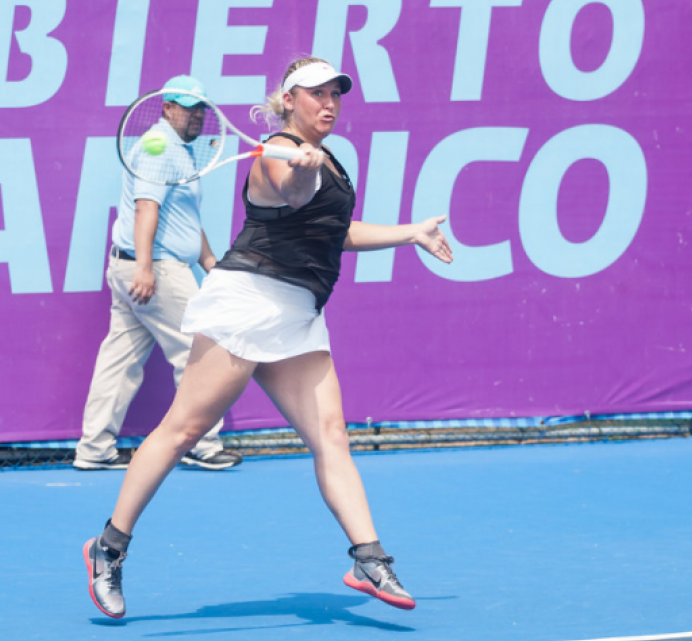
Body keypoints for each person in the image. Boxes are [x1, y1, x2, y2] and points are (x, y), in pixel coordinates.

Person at [82, 58, 453, 618]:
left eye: (335, 93)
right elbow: (294, 193)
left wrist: (412, 233)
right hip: (248, 303)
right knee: (182, 430)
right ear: (288, 100)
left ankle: (368, 557)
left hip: (299, 314)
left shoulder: (327, 158)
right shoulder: (276, 155)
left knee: (331, 435)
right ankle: (108, 548)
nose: (328, 103)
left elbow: (336, 232)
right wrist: (301, 167)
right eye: (315, 94)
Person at [73, 75, 243, 472]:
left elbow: (181, 215)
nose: (196, 115)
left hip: (134, 267)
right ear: (167, 108)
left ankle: (94, 449)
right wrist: (146, 268)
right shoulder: (161, 146)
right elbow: (147, 209)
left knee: (119, 361)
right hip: (156, 271)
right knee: (199, 354)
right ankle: (203, 445)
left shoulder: (176, 151)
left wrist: (208, 262)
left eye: (201, 107)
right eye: (187, 107)